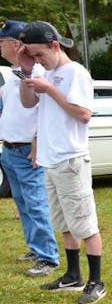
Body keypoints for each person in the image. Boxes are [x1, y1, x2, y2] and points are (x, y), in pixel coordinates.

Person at [16, 20, 107, 304]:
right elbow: (28, 103)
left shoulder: (76, 73)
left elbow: (83, 115)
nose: (37, 60)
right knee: (64, 223)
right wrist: (26, 72)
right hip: (50, 159)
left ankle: (96, 282)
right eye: (32, 56)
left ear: (55, 45)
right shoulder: (42, 71)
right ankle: (72, 276)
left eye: (39, 54)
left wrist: (50, 89)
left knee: (85, 224)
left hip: (71, 158)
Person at [0, 20, 60, 277]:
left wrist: (36, 143)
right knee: (24, 204)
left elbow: (42, 110)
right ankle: (36, 249)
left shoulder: (38, 72)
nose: (0, 46)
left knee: (35, 204)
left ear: (17, 44)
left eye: (2, 41)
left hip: (26, 149)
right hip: (10, 149)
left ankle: (48, 257)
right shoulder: (16, 73)